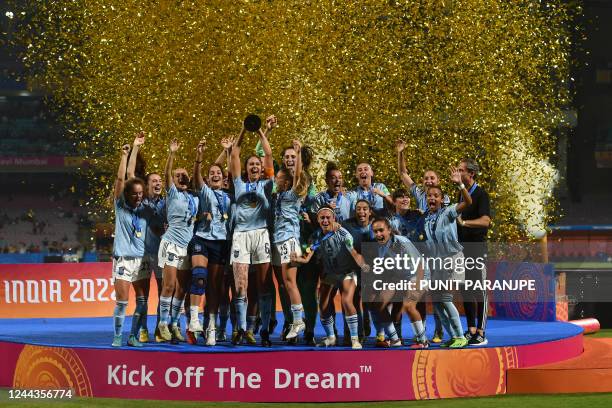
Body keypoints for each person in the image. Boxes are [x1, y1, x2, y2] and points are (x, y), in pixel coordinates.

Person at [292, 206, 369, 349]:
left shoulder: (343, 234)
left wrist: (362, 263)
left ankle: (355, 339)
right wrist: (297, 259)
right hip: (330, 274)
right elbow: (307, 256)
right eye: (322, 218)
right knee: (323, 304)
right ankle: (331, 337)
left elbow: (353, 252)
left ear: (334, 219)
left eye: (328, 217)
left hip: (347, 273)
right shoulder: (316, 236)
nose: (325, 220)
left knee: (346, 300)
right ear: (318, 220)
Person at [229, 119, 275, 346]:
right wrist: (243, 130)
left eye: (257, 164)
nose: (255, 167)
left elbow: (268, 154)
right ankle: (240, 329)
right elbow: (235, 153)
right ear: (246, 169)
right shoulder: (238, 184)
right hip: (241, 236)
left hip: (261, 234)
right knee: (240, 287)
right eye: (251, 165)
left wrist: (259, 131)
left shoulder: (267, 183)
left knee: (264, 285)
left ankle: (262, 330)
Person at [188, 137, 234, 346]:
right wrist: (199, 158)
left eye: (219, 173)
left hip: (221, 243)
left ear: (224, 179)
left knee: (215, 288)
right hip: (202, 240)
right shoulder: (205, 192)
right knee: (199, 277)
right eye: (211, 173)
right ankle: (194, 319)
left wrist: (228, 152)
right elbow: (197, 178)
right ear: (208, 179)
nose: (215, 175)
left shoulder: (229, 198)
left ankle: (211, 326)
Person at [424, 167, 473, 348]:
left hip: (453, 258)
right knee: (436, 302)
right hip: (438, 262)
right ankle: (453, 337)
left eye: (436, 195)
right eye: (429, 196)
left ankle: (460, 336)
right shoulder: (427, 219)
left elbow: (468, 202)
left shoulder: (449, 211)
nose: (432, 198)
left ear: (442, 199)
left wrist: (460, 184)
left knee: (444, 298)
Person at [156, 139, 199, 343]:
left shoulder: (195, 198)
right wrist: (171, 154)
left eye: (184, 175)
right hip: (171, 242)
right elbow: (166, 175)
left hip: (187, 246)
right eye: (177, 175)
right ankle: (162, 324)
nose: (181, 177)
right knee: (169, 285)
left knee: (182, 289)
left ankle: (174, 324)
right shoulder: (172, 194)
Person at [110, 143, 152, 347]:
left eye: (141, 193)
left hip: (142, 259)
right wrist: (126, 154)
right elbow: (122, 177)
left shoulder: (145, 209)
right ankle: (118, 336)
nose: (138, 196)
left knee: (143, 301)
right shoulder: (120, 206)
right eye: (134, 193)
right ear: (128, 194)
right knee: (122, 301)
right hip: (124, 258)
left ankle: (133, 335)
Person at [126, 132, 166, 343]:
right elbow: (131, 173)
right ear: (146, 185)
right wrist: (136, 147)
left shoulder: (166, 204)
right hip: (140, 254)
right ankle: (142, 328)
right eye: (154, 180)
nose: (158, 183)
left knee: (163, 294)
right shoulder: (139, 202)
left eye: (160, 180)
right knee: (142, 296)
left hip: (161, 255)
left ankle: (160, 329)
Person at [370, 217, 429, 348]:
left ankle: (422, 341)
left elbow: (420, 264)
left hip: (419, 275)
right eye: (375, 231)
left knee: (409, 305)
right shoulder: (380, 247)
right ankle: (395, 339)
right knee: (378, 303)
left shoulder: (402, 242)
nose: (378, 234)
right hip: (399, 277)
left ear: (389, 230)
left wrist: (417, 286)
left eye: (381, 230)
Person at [272, 139, 309, 342]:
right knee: (286, 284)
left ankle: (298, 320)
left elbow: (297, 176)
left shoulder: (293, 194)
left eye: (278, 178)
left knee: (290, 282)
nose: (275, 180)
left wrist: (299, 152)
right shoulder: (279, 196)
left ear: (285, 181)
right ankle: (295, 320)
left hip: (289, 240)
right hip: (280, 240)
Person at [456, 158, 491, 346]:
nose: (458, 172)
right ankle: (470, 330)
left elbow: (486, 221)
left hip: (477, 248)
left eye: (461, 170)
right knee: (466, 289)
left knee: (479, 290)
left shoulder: (481, 194)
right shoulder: (460, 193)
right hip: (462, 250)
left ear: (471, 173)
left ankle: (481, 331)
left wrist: (465, 223)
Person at [396, 140, 450, 212]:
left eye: (432, 178)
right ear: (423, 181)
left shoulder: (444, 197)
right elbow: (403, 173)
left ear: (438, 180)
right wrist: (400, 153)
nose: (429, 181)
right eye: (426, 178)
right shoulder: (419, 193)